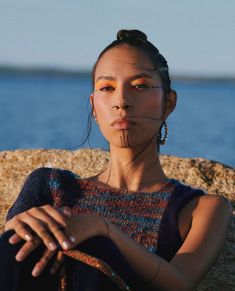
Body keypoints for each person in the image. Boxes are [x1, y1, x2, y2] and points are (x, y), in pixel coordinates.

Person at [0, 29, 232, 291]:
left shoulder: (200, 208)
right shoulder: (51, 186)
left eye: (140, 86)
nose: (121, 101)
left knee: (94, 246)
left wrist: (105, 231)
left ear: (168, 103)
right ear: (94, 106)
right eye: (107, 88)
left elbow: (179, 284)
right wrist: (14, 228)